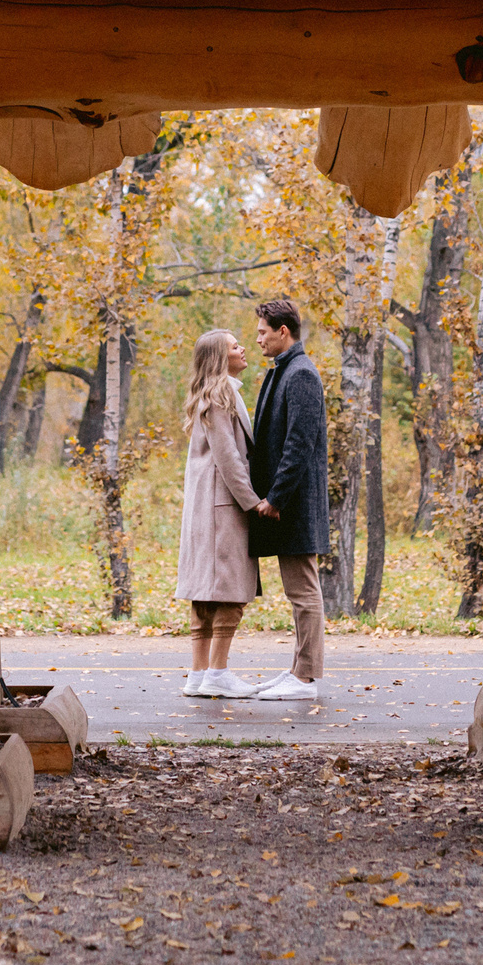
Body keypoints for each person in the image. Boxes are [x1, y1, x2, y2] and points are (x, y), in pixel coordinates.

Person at [172, 328, 275, 698]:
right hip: (223, 507)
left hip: (204, 508)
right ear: (220, 357)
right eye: (234, 346)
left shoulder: (207, 395)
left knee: (205, 594)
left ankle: (198, 674)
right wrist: (253, 502)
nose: (243, 347)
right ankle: (217, 672)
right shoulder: (222, 393)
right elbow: (229, 458)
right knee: (229, 592)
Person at [244, 298, 330, 700]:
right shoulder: (285, 370)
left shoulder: (301, 374)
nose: (257, 339)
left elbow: (299, 443)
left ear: (283, 331)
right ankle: (297, 669)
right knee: (298, 592)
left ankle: (306, 678)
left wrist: (275, 498)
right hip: (288, 503)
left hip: (295, 504)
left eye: (263, 332)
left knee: (304, 592)